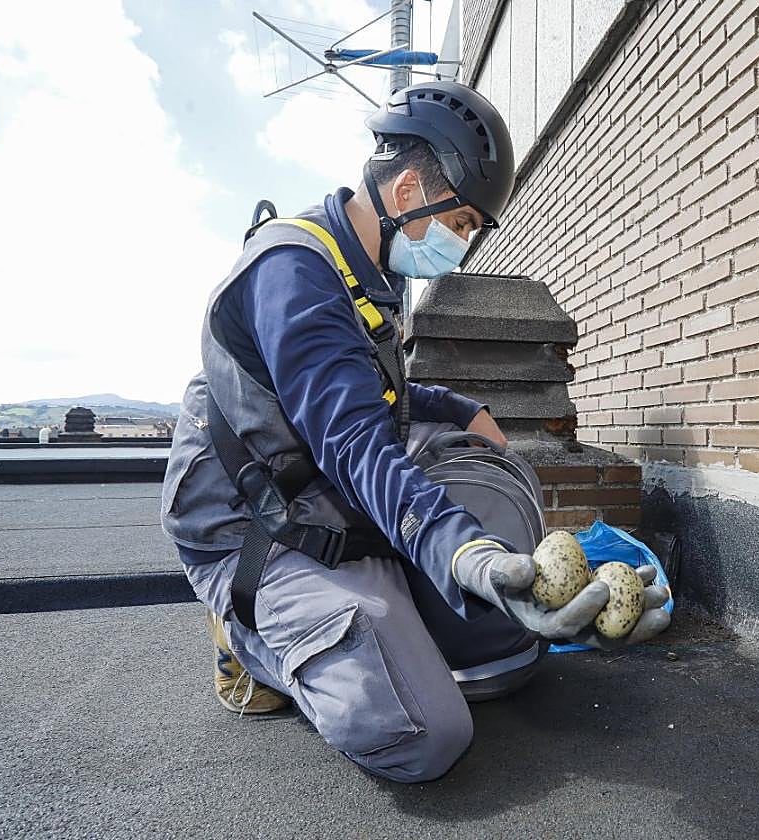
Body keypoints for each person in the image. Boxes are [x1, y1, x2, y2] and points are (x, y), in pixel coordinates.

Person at [160, 80, 670, 783]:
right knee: (425, 734)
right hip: (255, 530)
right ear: (406, 195)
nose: (461, 247)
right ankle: (248, 635)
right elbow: (355, 444)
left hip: (320, 498)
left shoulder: (369, 272)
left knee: (495, 656)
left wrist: (461, 412)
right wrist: (468, 558)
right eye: (460, 222)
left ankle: (389, 610)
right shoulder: (296, 274)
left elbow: (378, 395)